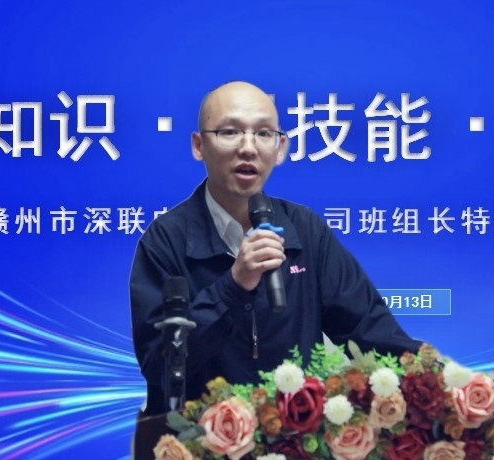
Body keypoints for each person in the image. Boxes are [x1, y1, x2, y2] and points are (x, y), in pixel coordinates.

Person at [130, 81, 421, 414]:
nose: (248, 148)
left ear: (280, 148)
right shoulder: (165, 240)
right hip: (198, 439)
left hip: (295, 437)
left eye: (263, 133)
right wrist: (232, 286)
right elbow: (160, 365)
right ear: (199, 146)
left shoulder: (306, 230)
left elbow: (372, 333)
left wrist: (442, 383)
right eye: (230, 132)